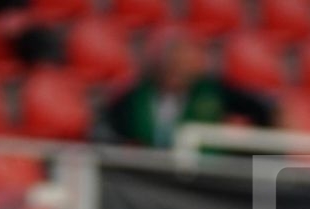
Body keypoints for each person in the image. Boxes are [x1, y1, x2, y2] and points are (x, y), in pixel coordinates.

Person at [102, 33, 271, 148]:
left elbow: (261, 110)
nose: (177, 70)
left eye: (183, 64)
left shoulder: (212, 92)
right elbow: (109, 127)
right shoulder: (135, 97)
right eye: (172, 63)